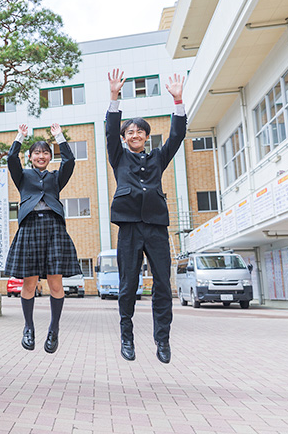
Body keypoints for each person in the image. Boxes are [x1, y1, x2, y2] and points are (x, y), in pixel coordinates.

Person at [106, 69, 186, 364]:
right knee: (128, 284)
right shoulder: (118, 155)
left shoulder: (157, 158)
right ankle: (126, 336)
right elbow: (109, 128)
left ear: (147, 137)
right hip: (128, 225)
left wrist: (178, 100)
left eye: (140, 131)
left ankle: (162, 339)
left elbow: (177, 135)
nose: (135, 134)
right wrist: (114, 97)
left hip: (155, 226)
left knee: (163, 284)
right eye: (130, 132)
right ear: (124, 138)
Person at [5, 122, 81, 354]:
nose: (41, 156)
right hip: (30, 227)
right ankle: (28, 328)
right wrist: (20, 136)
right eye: (37, 152)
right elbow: (11, 159)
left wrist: (59, 137)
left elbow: (70, 161)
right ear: (30, 157)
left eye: (45, 153)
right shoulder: (23, 176)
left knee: (56, 282)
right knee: (29, 282)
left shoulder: (56, 178)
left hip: (53, 227)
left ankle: (54, 329)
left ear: (49, 157)